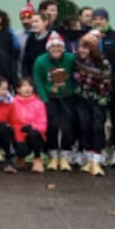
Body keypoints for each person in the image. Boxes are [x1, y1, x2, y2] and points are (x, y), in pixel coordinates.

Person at [89, 8, 115, 169]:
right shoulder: (89, 38)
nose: (98, 22)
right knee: (99, 121)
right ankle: (102, 151)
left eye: (101, 19)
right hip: (97, 86)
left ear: (107, 20)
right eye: (95, 19)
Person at [33, 33, 77, 172]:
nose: (56, 49)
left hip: (67, 96)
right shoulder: (40, 61)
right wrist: (44, 99)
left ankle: (64, 155)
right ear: (48, 48)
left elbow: (76, 75)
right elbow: (38, 80)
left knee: (67, 126)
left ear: (63, 48)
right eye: (53, 46)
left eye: (59, 46)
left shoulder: (70, 59)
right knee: (52, 125)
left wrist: (73, 90)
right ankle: (52, 154)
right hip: (49, 97)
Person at [72, 33, 112, 176]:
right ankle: (88, 159)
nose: (82, 50)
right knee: (84, 126)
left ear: (93, 49)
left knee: (97, 127)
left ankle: (96, 159)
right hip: (82, 98)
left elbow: (106, 84)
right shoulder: (76, 61)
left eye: (86, 48)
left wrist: (100, 100)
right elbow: (75, 80)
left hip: (98, 100)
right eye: (80, 47)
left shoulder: (103, 63)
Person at [12, 77, 48, 174]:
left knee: (33, 134)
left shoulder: (39, 104)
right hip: (18, 135)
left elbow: (43, 125)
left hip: (34, 136)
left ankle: (37, 159)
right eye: (24, 86)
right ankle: (19, 157)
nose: (27, 88)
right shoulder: (12, 103)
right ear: (18, 89)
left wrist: (31, 126)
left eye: (30, 85)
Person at [21, 12, 52, 81]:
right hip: (33, 77)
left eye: (36, 21)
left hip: (49, 77)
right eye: (32, 22)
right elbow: (26, 60)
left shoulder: (53, 37)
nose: (34, 24)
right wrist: (26, 76)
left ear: (45, 22)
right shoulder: (31, 38)